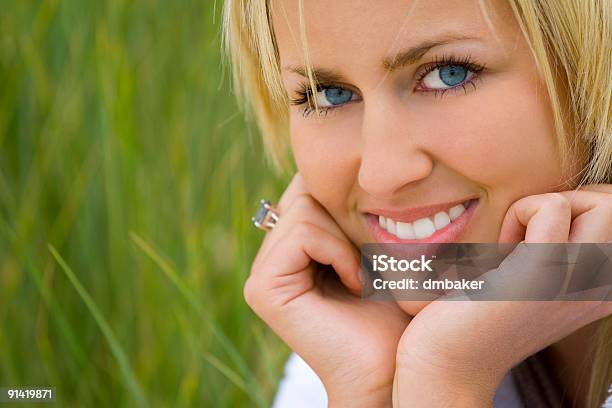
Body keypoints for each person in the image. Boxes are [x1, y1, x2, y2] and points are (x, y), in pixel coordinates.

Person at [223, 0, 612, 406]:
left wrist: (447, 380)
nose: (381, 175)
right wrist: (371, 388)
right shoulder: (351, 336)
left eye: (449, 74)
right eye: (330, 95)